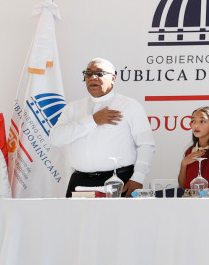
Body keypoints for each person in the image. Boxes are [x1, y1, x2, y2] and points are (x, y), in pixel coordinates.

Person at [49, 58, 154, 196]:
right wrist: (92, 120)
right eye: (88, 73)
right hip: (80, 182)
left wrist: (138, 178)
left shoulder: (130, 106)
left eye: (99, 73)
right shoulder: (72, 108)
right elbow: (55, 139)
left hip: (119, 181)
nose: (93, 77)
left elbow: (146, 145)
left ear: (113, 78)